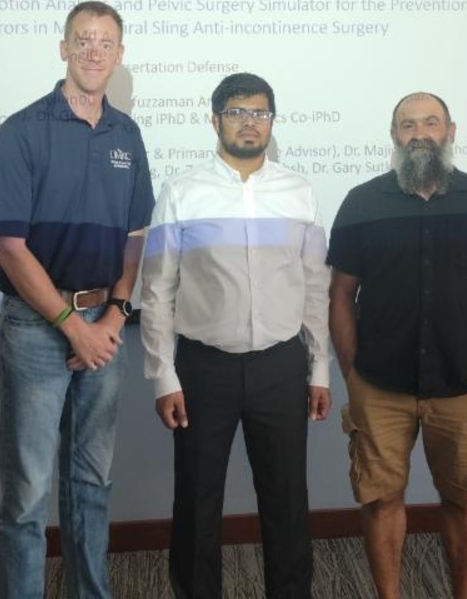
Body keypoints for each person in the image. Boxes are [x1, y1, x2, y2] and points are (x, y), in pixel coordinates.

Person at [0, 0, 155, 599]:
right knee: (27, 495)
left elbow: (136, 237)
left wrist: (115, 314)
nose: (93, 51)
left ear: (119, 54)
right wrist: (72, 327)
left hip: (105, 325)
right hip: (35, 330)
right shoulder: (22, 130)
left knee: (91, 484)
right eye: (83, 39)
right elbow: (9, 247)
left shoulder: (127, 135)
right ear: (63, 48)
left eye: (105, 42)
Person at [140, 72, 331, 599]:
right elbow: (157, 289)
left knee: (287, 499)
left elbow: (315, 286)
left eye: (260, 113)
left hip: (281, 366)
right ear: (215, 120)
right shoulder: (182, 192)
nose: (250, 122)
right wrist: (163, 377)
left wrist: (319, 368)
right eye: (237, 112)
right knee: (197, 501)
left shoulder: (298, 192)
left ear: (272, 121)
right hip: (204, 368)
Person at [328, 92, 467, 599]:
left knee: (463, 502)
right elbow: (341, 294)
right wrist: (352, 375)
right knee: (380, 500)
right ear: (394, 135)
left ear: (450, 132)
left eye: (430, 123)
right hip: (379, 384)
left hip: (463, 383)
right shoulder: (361, 201)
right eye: (407, 125)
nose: (419, 134)